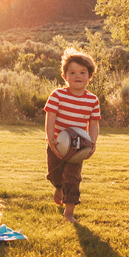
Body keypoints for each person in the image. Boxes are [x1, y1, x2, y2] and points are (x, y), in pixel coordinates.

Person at [44, 47, 101, 223]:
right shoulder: (57, 95)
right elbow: (50, 117)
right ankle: (58, 186)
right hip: (57, 144)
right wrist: (50, 139)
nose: (78, 76)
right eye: (73, 72)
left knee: (73, 177)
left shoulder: (92, 100)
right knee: (55, 174)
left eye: (83, 72)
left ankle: (69, 213)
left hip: (78, 147)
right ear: (65, 76)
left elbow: (94, 123)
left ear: (90, 76)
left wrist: (92, 143)